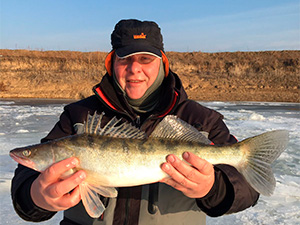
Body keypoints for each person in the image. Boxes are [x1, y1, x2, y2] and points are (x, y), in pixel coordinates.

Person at [11, 19, 259, 225]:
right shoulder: (79, 115)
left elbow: (249, 189)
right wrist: (37, 196)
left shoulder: (200, 119)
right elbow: (24, 184)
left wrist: (212, 188)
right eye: (125, 59)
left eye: (145, 59)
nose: (134, 69)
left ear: (162, 63)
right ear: (112, 63)